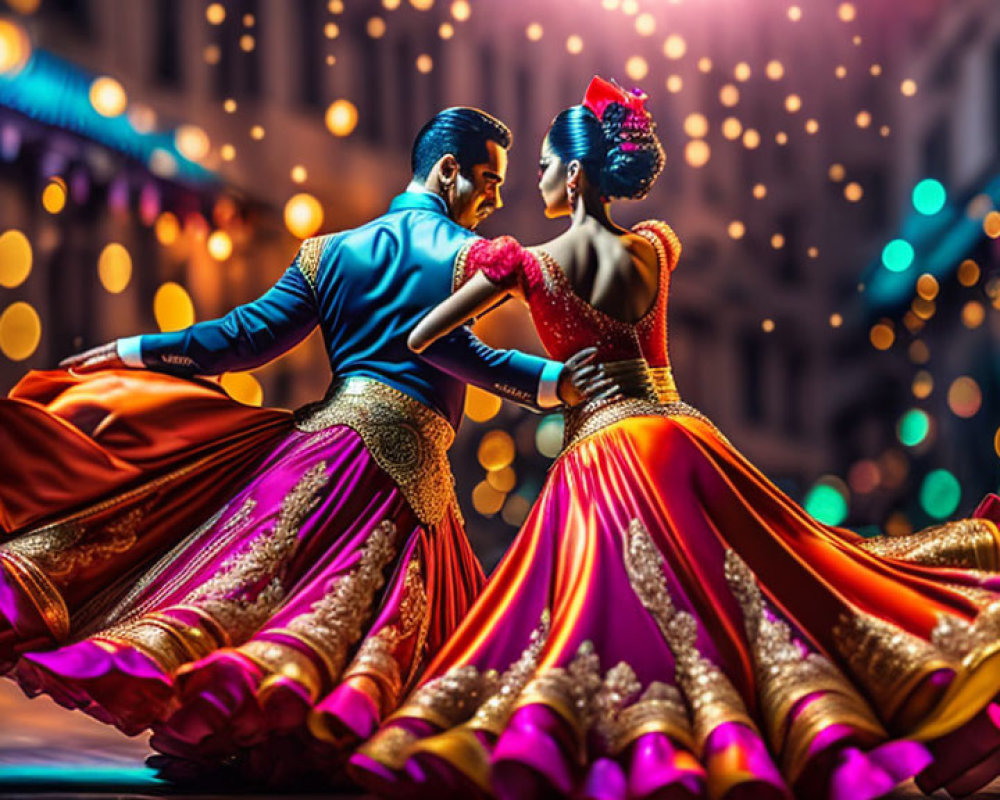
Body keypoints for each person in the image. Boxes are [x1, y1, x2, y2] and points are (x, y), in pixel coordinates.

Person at [350, 77, 1000, 800]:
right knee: (770, 585)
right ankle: (798, 729)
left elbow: (426, 335)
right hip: (683, 436)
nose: (532, 181)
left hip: (601, 447)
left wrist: (540, 381)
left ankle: (661, 749)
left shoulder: (527, 264)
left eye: (539, 166)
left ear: (573, 172)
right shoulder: (657, 247)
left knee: (615, 615)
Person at [0, 107, 602, 784]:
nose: (494, 199)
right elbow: (451, 348)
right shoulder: (467, 257)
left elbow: (239, 340)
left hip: (322, 448)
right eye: (488, 181)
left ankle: (262, 732)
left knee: (266, 601)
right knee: (351, 623)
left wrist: (136, 350)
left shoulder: (328, 251)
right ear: (448, 170)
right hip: (392, 476)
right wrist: (556, 380)